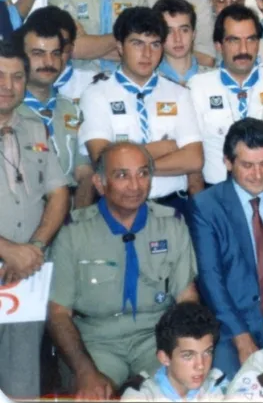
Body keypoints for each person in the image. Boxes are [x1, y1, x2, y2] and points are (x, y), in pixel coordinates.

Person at [48, 142, 198, 399]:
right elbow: (58, 313)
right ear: (99, 182)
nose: (135, 185)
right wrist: (85, 372)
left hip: (156, 338)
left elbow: (187, 298)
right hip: (95, 341)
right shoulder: (74, 232)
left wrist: (185, 355)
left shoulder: (171, 224)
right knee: (93, 395)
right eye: (122, 176)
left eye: (143, 173)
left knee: (181, 390)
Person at [188, 119, 263, 378]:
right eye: (247, 165)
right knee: (232, 385)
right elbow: (210, 279)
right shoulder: (206, 206)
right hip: (231, 325)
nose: (258, 174)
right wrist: (241, 338)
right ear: (228, 163)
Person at [78, 7, 204, 212]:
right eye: (137, 43)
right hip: (119, 206)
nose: (147, 54)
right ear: (120, 46)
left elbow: (194, 160)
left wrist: (128, 166)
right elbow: (103, 162)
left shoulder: (179, 93)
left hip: (172, 204)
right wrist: (165, 148)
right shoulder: (96, 94)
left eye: (155, 45)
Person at [0, 40, 70, 399]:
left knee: (22, 381)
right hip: (11, 260)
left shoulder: (34, 126)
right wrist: (7, 250)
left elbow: (59, 192)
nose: (7, 85)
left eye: (16, 77)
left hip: (25, 276)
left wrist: (34, 248)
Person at [188, 5, 263, 186]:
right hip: (218, 194)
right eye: (234, 40)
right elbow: (192, 157)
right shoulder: (198, 86)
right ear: (218, 45)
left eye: (251, 40)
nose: (244, 49)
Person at [15, 19, 92, 206]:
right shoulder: (9, 112)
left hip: (72, 214)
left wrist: (78, 221)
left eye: (55, 54)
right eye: (38, 54)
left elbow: (84, 172)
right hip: (24, 213)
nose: (48, 62)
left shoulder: (72, 108)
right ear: (20, 57)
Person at [121, 302, 226, 401]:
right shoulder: (141, 395)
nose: (201, 365)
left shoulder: (217, 386)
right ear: (165, 358)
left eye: (207, 352)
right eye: (188, 355)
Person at [26, 6, 95, 104]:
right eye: (40, 52)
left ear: (72, 46)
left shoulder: (91, 84)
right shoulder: (11, 88)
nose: (51, 60)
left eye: (63, 45)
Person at [153, 0, 212, 86]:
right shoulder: (149, 81)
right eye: (169, 31)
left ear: (193, 34)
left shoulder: (214, 79)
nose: (178, 38)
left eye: (184, 30)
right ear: (158, 36)